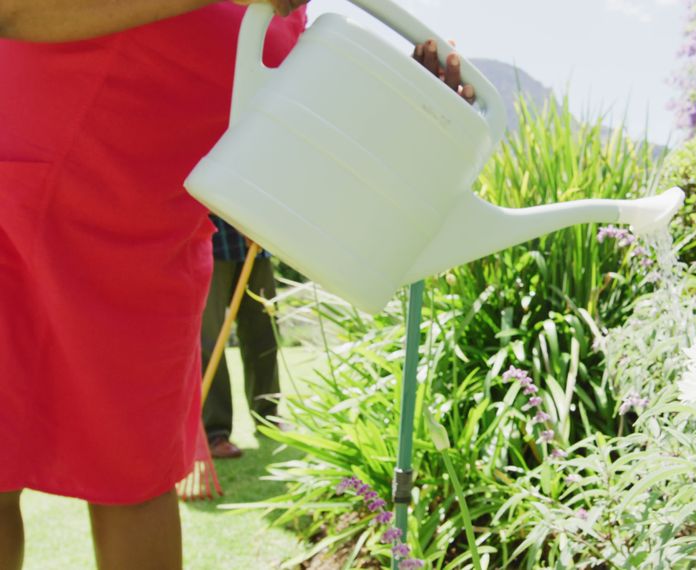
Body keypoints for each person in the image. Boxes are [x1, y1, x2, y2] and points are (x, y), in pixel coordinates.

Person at [0, 1, 474, 568]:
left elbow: (288, 161)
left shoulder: (289, 17)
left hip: (144, 263)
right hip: (13, 206)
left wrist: (409, 109)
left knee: (135, 487)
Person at [201, 215, 279, 459]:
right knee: (208, 340)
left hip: (256, 243)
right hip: (210, 242)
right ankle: (215, 432)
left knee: (264, 333)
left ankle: (267, 417)